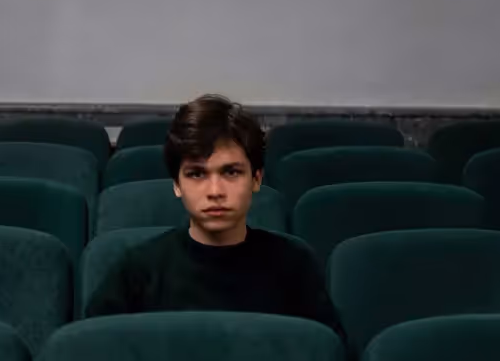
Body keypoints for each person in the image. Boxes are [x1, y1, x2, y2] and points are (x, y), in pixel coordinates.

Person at [86, 94, 342, 335]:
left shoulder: (295, 266)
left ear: (256, 179)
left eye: (231, 172)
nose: (215, 191)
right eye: (197, 174)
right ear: (177, 184)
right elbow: (93, 360)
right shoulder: (135, 272)